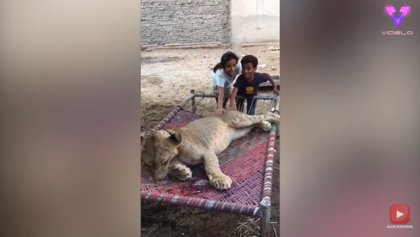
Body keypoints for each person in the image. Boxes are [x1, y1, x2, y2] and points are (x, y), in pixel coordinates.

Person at [211, 51, 241, 115]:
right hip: (217, 85)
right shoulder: (220, 74)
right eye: (228, 66)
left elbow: (241, 78)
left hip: (227, 84)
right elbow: (221, 92)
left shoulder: (238, 67)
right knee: (220, 102)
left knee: (226, 96)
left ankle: (223, 107)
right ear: (223, 66)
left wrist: (232, 101)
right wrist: (219, 107)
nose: (232, 69)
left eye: (234, 65)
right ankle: (221, 108)